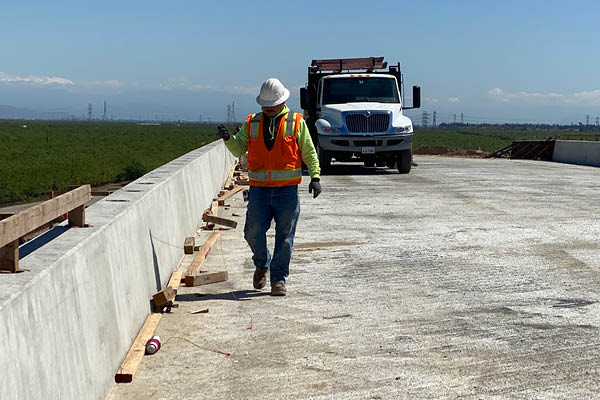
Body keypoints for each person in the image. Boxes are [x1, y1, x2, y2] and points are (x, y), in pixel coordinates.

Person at [216, 78, 321, 296]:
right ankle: (262, 263)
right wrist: (228, 139)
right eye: (265, 106)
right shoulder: (252, 122)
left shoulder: (296, 122)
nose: (269, 109)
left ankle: (279, 280)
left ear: (282, 102)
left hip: (287, 190)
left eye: (272, 106)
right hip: (259, 190)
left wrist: (315, 176)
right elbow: (238, 150)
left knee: (285, 236)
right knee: (252, 232)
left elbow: (309, 151)